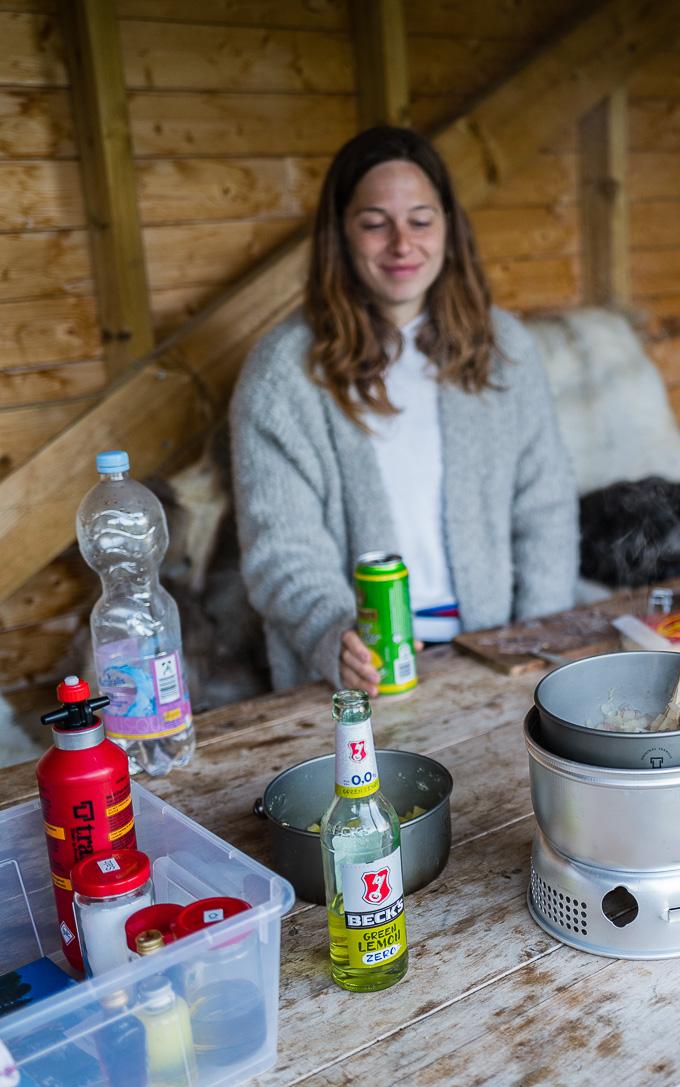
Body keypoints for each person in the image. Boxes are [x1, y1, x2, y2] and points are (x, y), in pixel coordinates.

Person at [230, 126, 578, 695]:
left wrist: (544, 643)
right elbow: (281, 548)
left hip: (499, 654)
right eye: (374, 223)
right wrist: (333, 633)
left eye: (420, 220)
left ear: (448, 227)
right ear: (339, 234)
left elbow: (545, 507)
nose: (401, 243)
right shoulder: (283, 372)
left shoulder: (504, 347)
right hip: (358, 677)